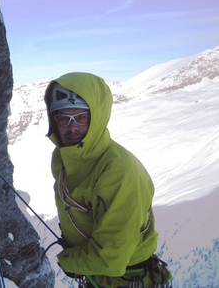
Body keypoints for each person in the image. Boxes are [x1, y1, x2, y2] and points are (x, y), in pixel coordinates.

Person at [44, 72, 172, 288]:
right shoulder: (65, 157)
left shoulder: (119, 172)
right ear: (54, 122)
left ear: (97, 117)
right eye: (64, 119)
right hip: (100, 277)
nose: (73, 127)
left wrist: (69, 260)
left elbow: (110, 257)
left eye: (81, 118)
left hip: (126, 279)